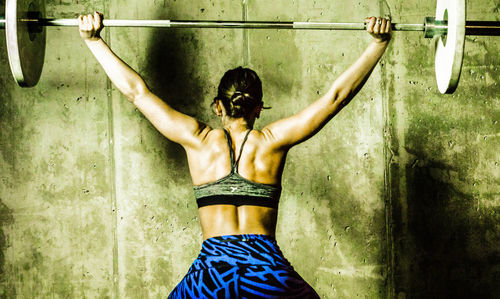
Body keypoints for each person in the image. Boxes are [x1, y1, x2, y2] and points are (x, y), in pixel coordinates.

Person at [78, 11, 391, 298]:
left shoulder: (197, 140)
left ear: (218, 106)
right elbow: (337, 97)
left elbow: (137, 92)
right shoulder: (272, 142)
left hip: (210, 277)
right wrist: (377, 44)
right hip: (267, 275)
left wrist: (93, 40)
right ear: (258, 108)